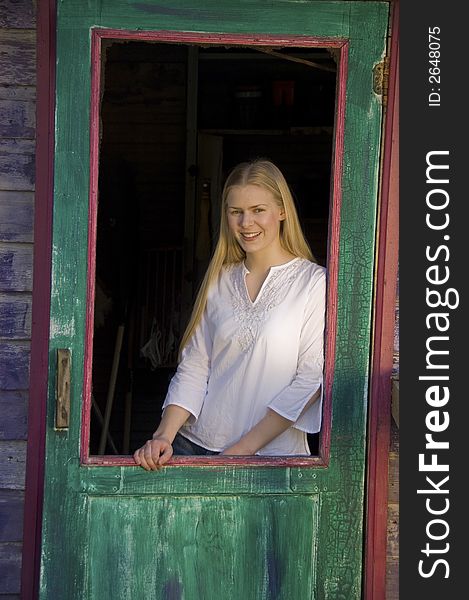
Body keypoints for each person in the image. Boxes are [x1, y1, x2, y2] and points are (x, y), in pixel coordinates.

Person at [133, 159, 326, 470]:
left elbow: (310, 380)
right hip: (195, 445)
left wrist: (238, 453)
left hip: (273, 458)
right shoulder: (220, 279)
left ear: (282, 211)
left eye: (258, 210)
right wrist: (163, 436)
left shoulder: (313, 282)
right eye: (236, 212)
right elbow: (196, 366)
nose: (246, 223)